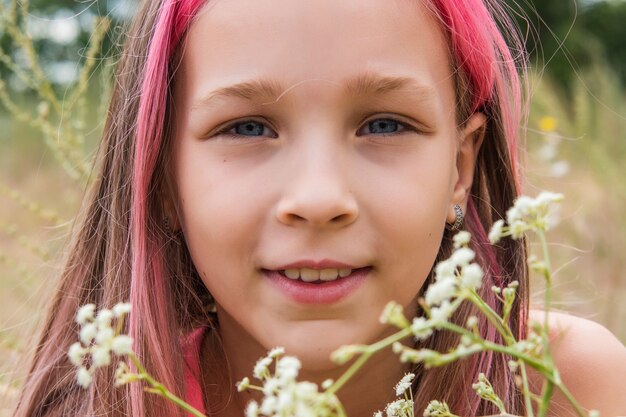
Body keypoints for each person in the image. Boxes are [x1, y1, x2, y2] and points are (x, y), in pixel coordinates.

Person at [13, 0, 626, 416]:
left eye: (385, 123)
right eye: (248, 128)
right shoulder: (105, 404)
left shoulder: (566, 385)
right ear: (164, 180)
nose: (318, 199)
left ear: (459, 169)